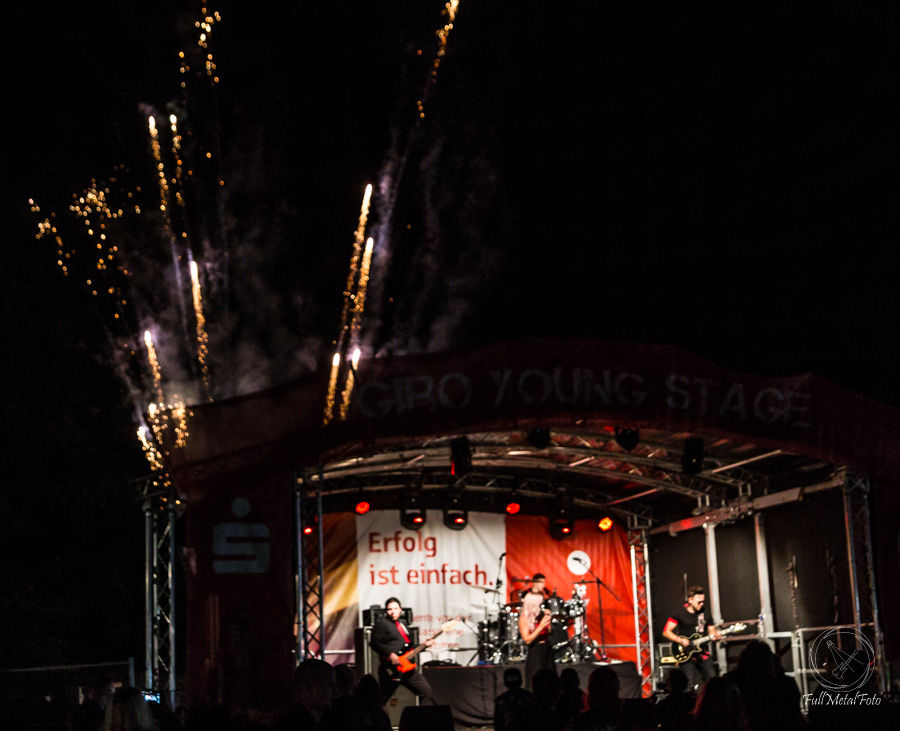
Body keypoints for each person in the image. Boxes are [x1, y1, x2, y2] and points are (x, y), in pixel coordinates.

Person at [370, 597, 435, 704]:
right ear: (386, 611)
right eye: (390, 609)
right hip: (390, 669)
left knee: (426, 691)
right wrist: (389, 654)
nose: (393, 612)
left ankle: (421, 714)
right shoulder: (382, 624)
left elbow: (410, 646)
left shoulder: (402, 625)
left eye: (395, 608)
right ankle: (376, 714)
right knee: (383, 698)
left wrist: (424, 645)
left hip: (407, 667)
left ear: (400, 609)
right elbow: (374, 643)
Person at [662, 586, 721, 691]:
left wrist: (716, 637)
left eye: (703, 602)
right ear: (690, 600)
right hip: (686, 654)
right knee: (688, 685)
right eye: (699, 602)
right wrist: (680, 640)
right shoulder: (680, 613)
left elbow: (712, 632)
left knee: (713, 681)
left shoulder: (706, 613)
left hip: (701, 652)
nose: (702, 604)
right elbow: (666, 632)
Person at [518, 573, 555, 689]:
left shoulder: (540, 616)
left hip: (547, 649)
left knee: (551, 683)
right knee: (535, 685)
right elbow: (527, 640)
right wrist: (541, 626)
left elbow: (550, 633)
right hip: (536, 651)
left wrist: (548, 624)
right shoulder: (524, 618)